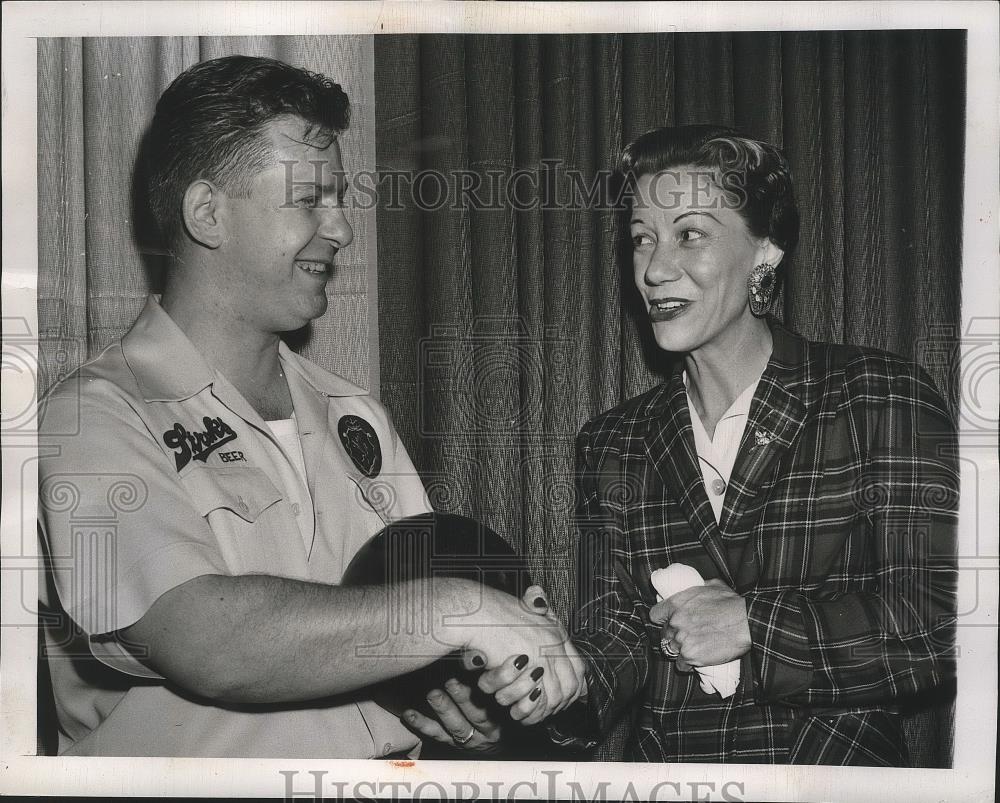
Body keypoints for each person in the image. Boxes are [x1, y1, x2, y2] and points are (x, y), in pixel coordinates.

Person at [36, 54, 583, 758]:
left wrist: (467, 698)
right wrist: (460, 609)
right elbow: (210, 643)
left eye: (340, 199)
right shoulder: (95, 418)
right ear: (207, 214)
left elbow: (402, 628)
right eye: (309, 199)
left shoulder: (355, 414)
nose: (342, 230)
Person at [481, 125, 958, 765]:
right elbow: (624, 639)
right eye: (642, 238)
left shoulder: (877, 396)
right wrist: (551, 683)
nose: (654, 268)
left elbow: (939, 628)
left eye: (691, 234)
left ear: (766, 251)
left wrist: (754, 627)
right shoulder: (611, 441)